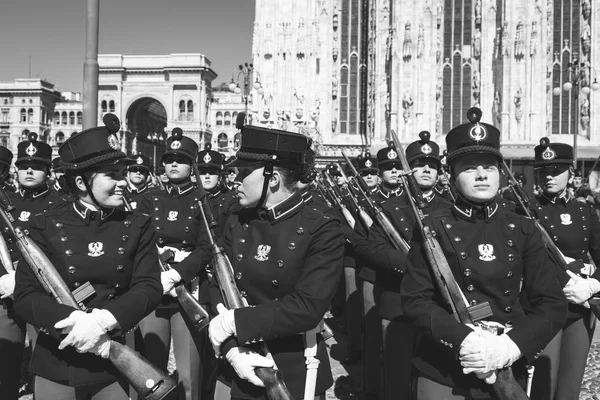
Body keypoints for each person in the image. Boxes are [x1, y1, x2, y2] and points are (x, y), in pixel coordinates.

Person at [400, 108, 567, 399]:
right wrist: (464, 340)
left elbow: (551, 303)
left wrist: (511, 347)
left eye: (489, 167)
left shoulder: (523, 228)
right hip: (444, 367)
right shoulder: (432, 228)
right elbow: (415, 300)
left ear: (500, 175)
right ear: (451, 176)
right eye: (468, 167)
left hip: (505, 364)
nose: (480, 175)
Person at [12, 114, 163, 399]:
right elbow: (26, 294)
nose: (123, 183)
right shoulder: (45, 225)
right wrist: (74, 323)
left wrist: (103, 321)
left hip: (113, 356)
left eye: (123, 174)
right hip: (57, 358)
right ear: (82, 182)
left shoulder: (138, 224)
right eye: (113, 175)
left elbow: (149, 286)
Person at [208, 125, 344, 400]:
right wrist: (233, 350)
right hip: (239, 364)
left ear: (273, 179)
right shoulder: (237, 218)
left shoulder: (322, 227)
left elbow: (308, 307)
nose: (235, 179)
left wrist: (236, 323)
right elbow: (217, 283)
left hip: (294, 366)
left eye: (245, 172)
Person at [368, 130, 451, 400]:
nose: (427, 169)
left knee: (434, 379)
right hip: (397, 304)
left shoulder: (450, 207)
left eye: (433, 166)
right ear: (406, 170)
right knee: (397, 377)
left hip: (440, 308)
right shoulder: (388, 207)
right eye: (419, 165)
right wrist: (415, 264)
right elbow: (374, 250)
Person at [137, 128, 213, 400]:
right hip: (154, 286)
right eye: (169, 159)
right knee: (150, 370)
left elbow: (207, 247)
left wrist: (179, 272)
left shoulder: (202, 200)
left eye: (179, 160)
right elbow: (137, 240)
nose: (172, 165)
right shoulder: (150, 198)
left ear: (191, 166)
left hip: (187, 288)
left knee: (188, 370)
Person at [529, 139, 600, 400]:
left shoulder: (585, 210)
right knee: (542, 384)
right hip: (545, 303)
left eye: (557, 170)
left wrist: (594, 284)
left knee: (570, 384)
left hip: (581, 304)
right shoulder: (526, 210)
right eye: (543, 171)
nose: (549, 176)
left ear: (571, 173)